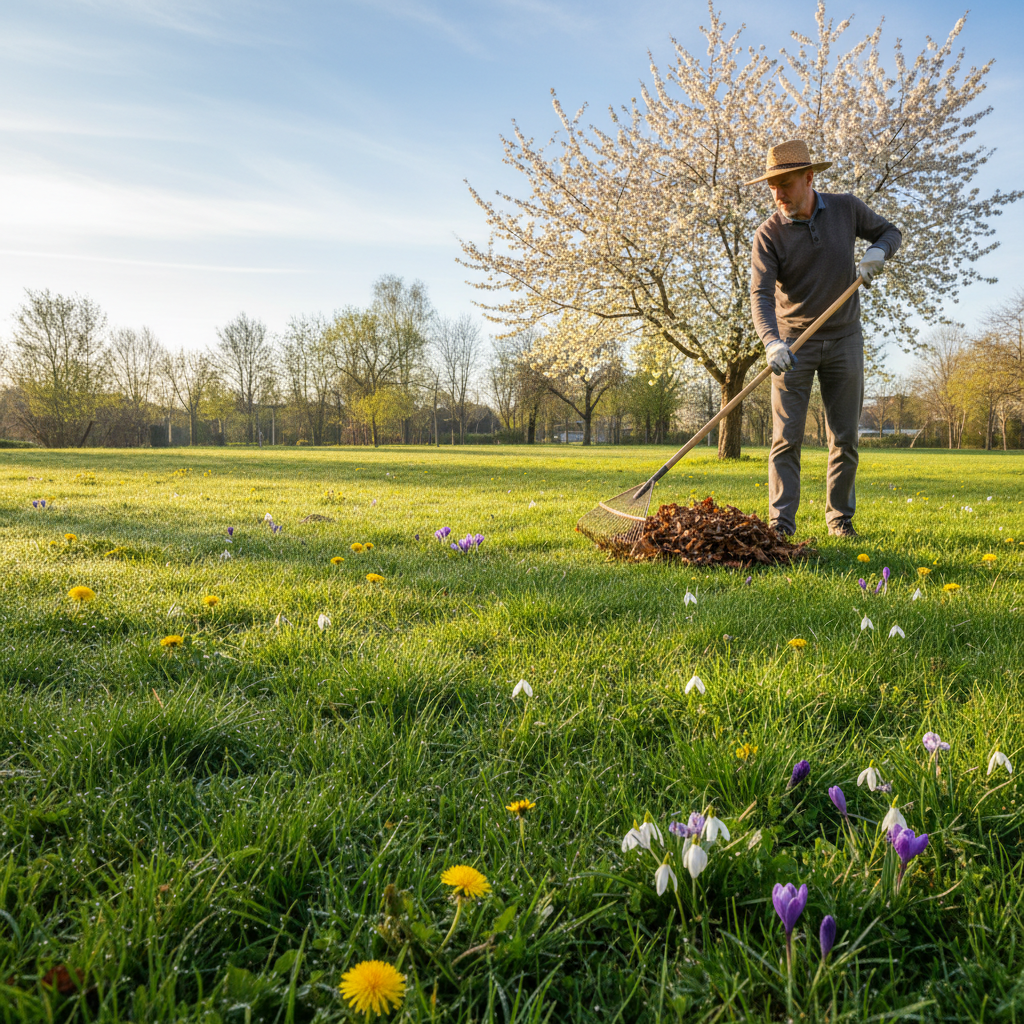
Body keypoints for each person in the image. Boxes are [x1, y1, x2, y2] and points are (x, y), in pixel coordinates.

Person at [747, 139, 901, 538]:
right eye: (772, 186)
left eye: (785, 184)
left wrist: (878, 252)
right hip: (792, 346)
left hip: (845, 338)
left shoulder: (847, 209)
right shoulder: (768, 235)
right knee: (786, 439)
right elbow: (760, 296)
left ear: (809, 177)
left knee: (845, 438)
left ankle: (840, 521)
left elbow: (890, 231)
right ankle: (780, 526)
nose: (778, 194)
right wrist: (771, 342)